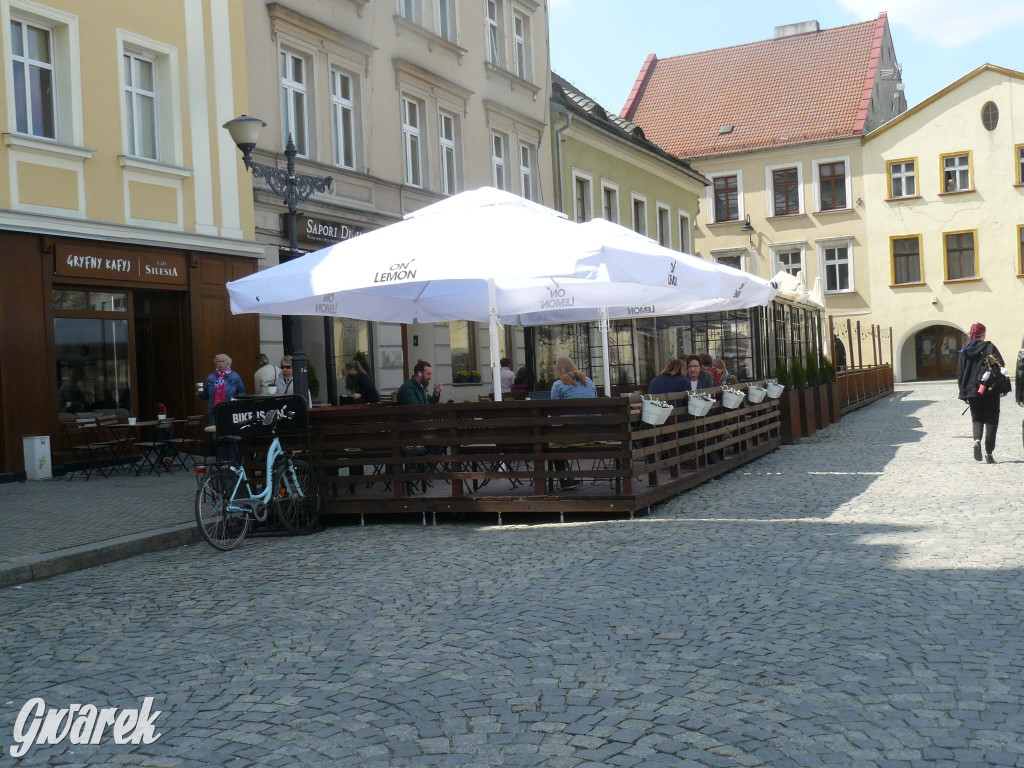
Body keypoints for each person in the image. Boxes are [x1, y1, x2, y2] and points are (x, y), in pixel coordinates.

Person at [956, 322, 1006, 463]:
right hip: (990, 389)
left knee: (976, 418)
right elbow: (1001, 367)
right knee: (991, 420)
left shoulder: (964, 351)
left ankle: (977, 440)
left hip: (972, 391)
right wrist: (1003, 388)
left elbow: (960, 373)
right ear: (983, 333)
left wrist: (963, 392)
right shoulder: (990, 347)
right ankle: (989, 454)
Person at [549, 356, 596, 490]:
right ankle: (566, 479)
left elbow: (554, 413)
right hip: (593, 433)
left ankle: (564, 480)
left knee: (554, 443)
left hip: (569, 435)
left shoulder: (558, 385)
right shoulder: (588, 381)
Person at [199, 353, 246, 419]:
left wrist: (235, 400)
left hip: (230, 409)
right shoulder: (211, 377)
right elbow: (205, 396)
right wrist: (199, 391)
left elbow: (242, 392)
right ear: (216, 364)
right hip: (214, 410)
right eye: (219, 361)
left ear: (228, 363)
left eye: (223, 361)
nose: (221, 363)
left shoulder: (235, 376)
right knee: (215, 429)